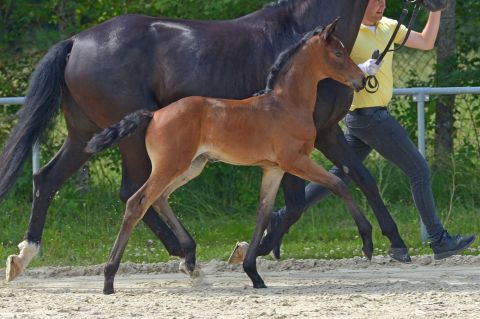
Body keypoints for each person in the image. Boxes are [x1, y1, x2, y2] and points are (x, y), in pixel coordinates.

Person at [268, 0, 474, 260]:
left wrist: (436, 12)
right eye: (375, 1)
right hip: (369, 117)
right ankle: (438, 239)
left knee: (340, 176)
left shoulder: (389, 26)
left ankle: (279, 218)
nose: (381, 6)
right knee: (418, 169)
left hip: (368, 118)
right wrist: (363, 68)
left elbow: (425, 42)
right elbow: (327, 66)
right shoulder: (348, 36)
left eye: (383, 1)